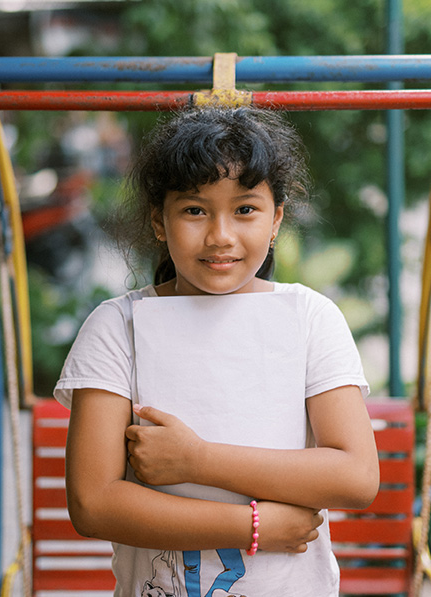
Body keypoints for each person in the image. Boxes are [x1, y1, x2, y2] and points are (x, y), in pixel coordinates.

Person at [54, 107, 379, 597]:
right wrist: (253, 528)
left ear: (277, 220)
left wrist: (198, 460)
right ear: (159, 222)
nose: (220, 236)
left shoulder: (312, 318)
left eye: (245, 209)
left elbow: (355, 476)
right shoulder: (116, 328)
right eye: (194, 210)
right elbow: (93, 503)